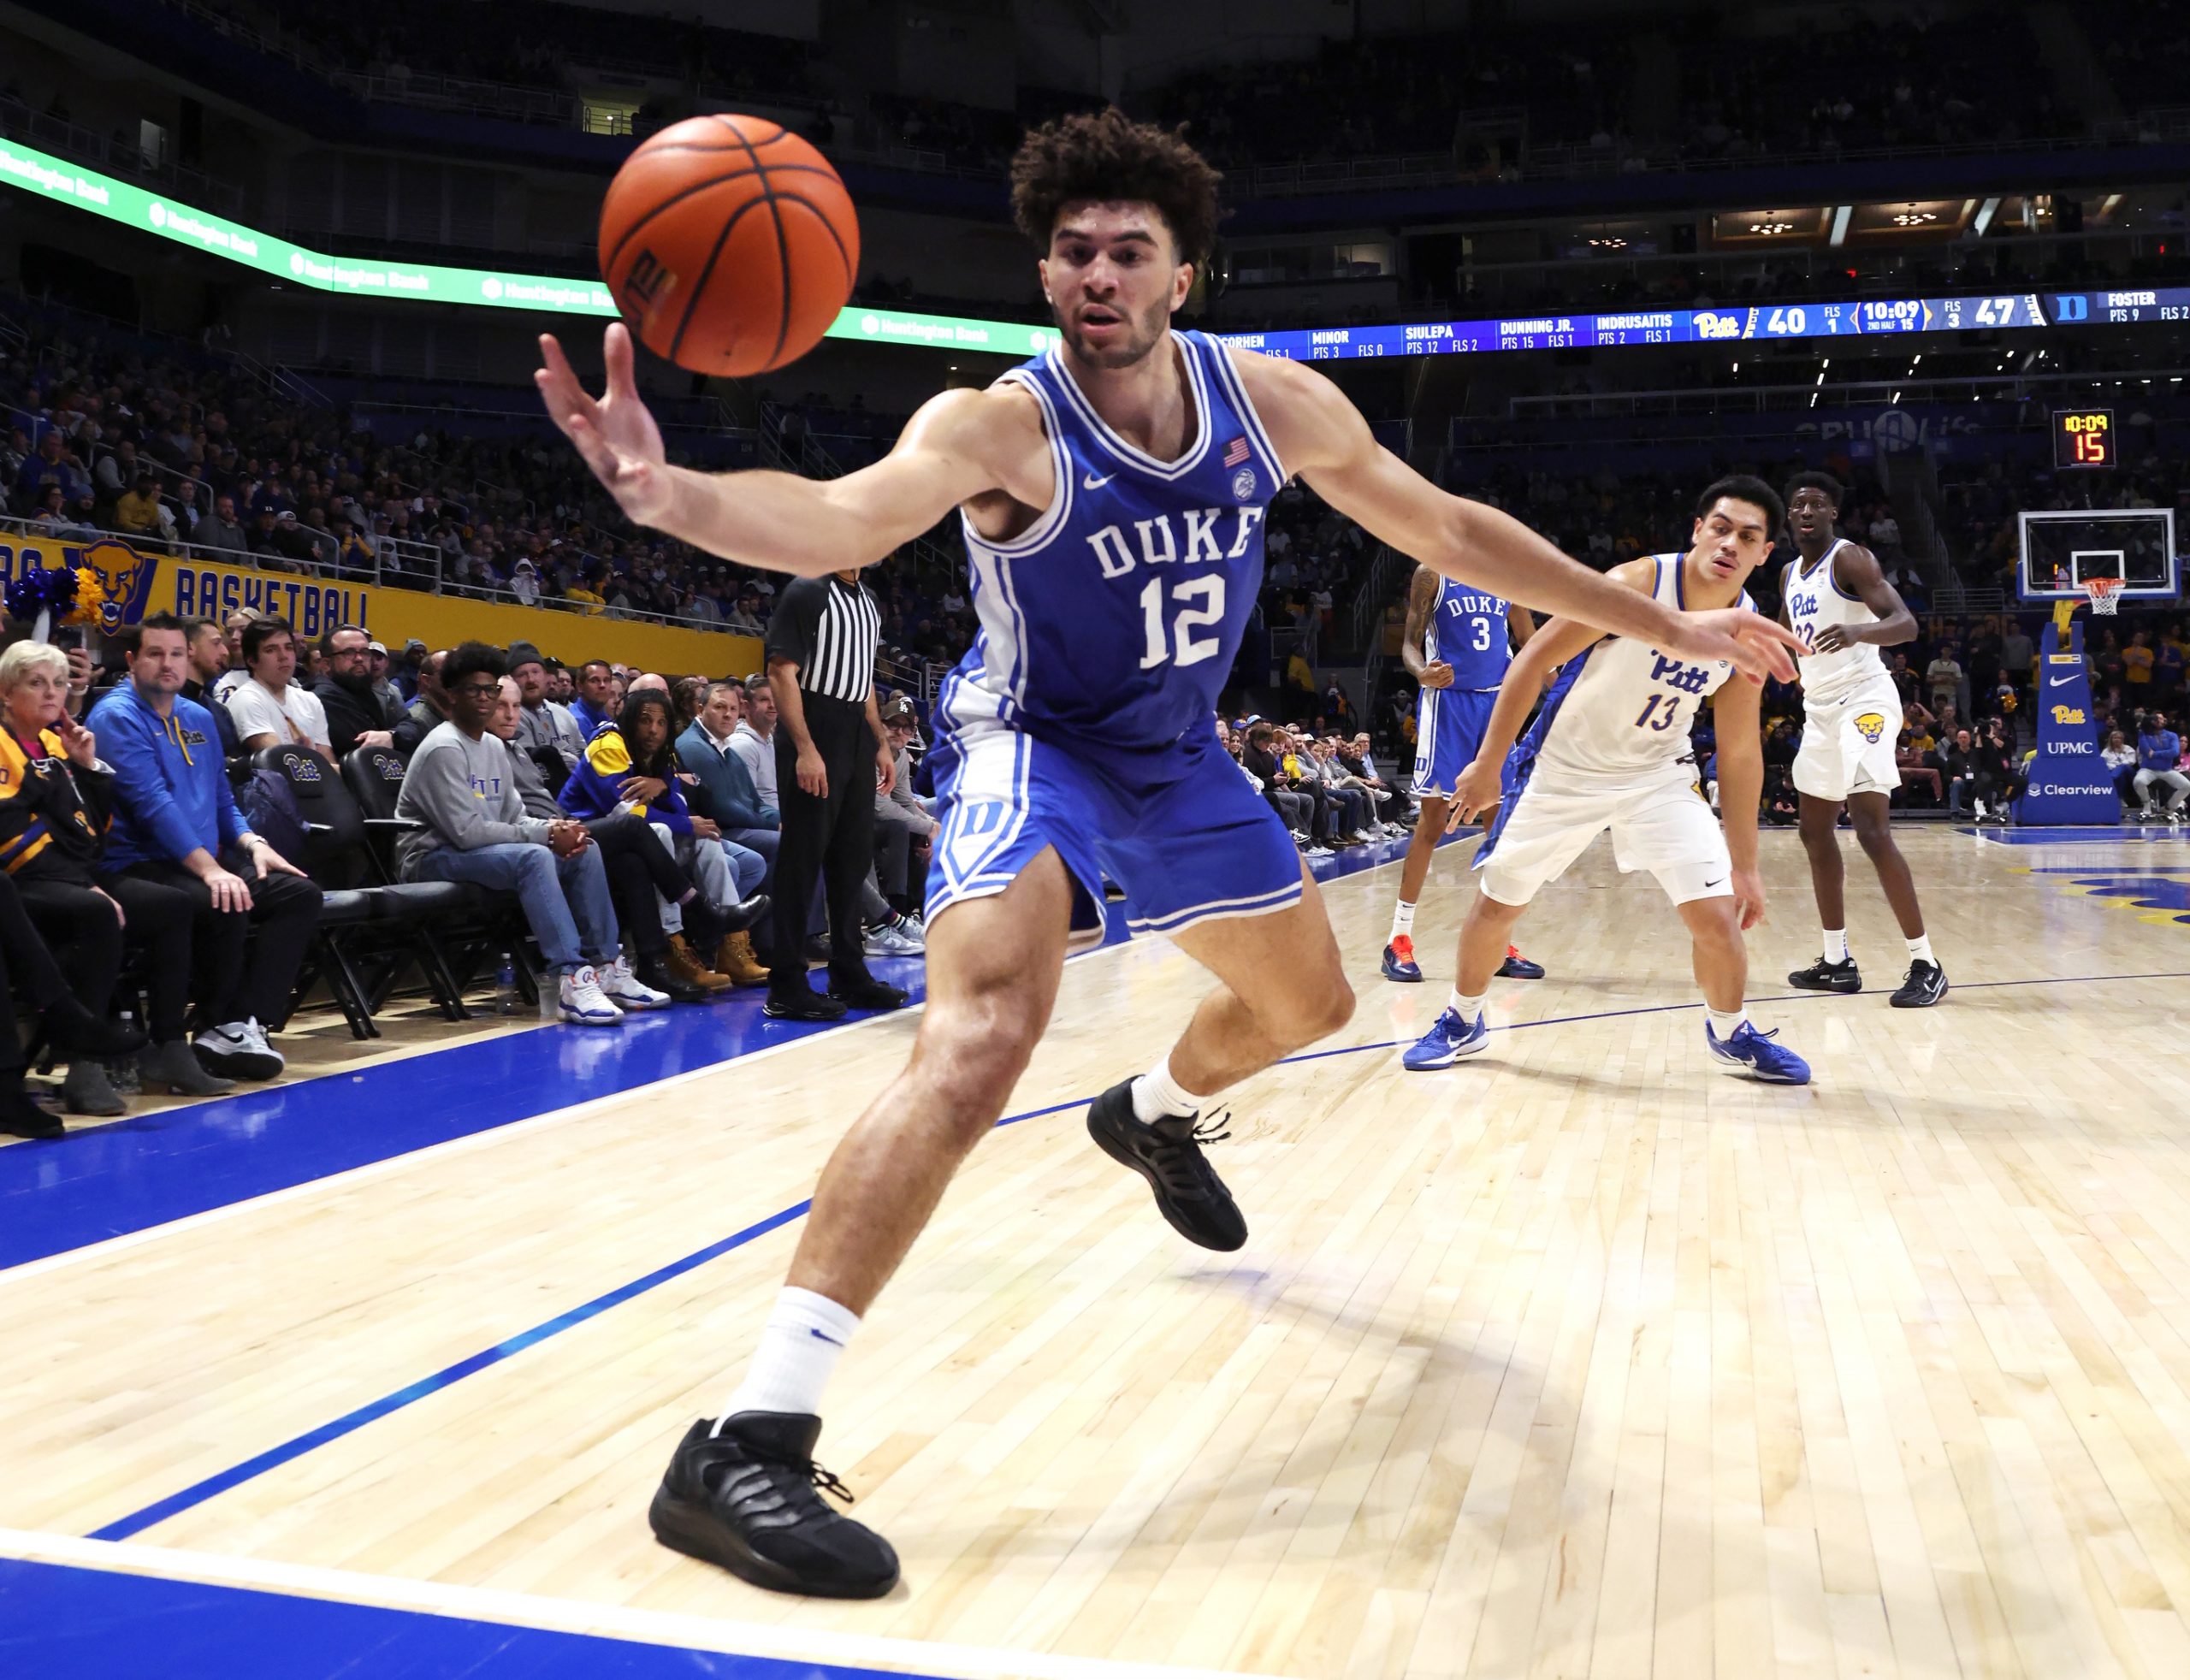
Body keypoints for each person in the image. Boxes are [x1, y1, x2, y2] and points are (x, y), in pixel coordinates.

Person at [537, 108, 1796, 1599]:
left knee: (1310, 1008)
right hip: (1034, 745)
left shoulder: (1268, 402)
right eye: (1073, 251)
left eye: (1129, 251)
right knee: (983, 1030)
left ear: (1183, 277)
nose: (1098, 273)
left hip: (1181, 755)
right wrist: (660, 492)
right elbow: (838, 515)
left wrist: (1669, 622)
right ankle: (748, 1432)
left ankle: (1150, 1111)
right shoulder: (996, 423)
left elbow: (1447, 524)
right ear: (1049, 274)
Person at [1403, 478, 1813, 1090]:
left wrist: (1746, 864)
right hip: (1565, 768)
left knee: (1718, 915)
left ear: (1764, 553)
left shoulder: (1748, 630)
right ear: (1697, 530)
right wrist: (1490, 763)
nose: (1731, 542)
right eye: (1721, 527)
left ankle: (1731, 1032)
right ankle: (1464, 1020)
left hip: (1658, 775)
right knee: (1498, 904)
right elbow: (1532, 659)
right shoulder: (1636, 585)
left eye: (1748, 537)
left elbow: (1739, 749)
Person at [89, 614, 324, 1081]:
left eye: (176, 654)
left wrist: (251, 842)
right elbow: (152, 803)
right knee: (224, 897)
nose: (167, 664)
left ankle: (238, 1023)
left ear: (188, 657)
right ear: (133, 660)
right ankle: (210, 1025)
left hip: (198, 861)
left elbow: (220, 796)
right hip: (138, 863)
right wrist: (210, 868)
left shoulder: (197, 717)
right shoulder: (116, 716)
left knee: (299, 894)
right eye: (155, 654)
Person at [394, 642, 651, 1025]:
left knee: (586, 846)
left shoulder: (495, 747)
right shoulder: (443, 747)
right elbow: (466, 833)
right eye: (472, 690)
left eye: (490, 690)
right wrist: (545, 839)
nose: (484, 698)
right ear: (451, 694)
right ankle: (571, 977)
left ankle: (607, 965)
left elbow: (515, 816)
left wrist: (557, 828)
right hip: (429, 858)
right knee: (534, 857)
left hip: (479, 853)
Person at [1778, 472, 1945, 1008]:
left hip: (1864, 701)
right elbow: (1784, 643)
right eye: (1798, 504)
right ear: (1788, 517)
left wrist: (1856, 632)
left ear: (1833, 515)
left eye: (1818, 504)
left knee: (1871, 829)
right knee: (1813, 830)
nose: (1807, 510)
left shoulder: (1851, 560)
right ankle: (1836, 961)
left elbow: (1905, 624)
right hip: (1820, 707)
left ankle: (1926, 963)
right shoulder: (1787, 574)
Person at [0, 642, 180, 1123]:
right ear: (6, 692)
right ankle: (83, 1051)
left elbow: (91, 831)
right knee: (97, 912)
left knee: (173, 905)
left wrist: (88, 770)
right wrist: (82, 878)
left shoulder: (60, 744)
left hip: (67, 873)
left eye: (58, 683)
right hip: (25, 879)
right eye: (36, 683)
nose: (51, 694)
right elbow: (13, 831)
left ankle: (171, 1043)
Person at [488, 676, 725, 1003]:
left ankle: (649, 964)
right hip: (546, 836)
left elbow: (683, 802)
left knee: (633, 862)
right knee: (636, 827)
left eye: (515, 706)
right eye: (501, 705)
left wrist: (663, 785)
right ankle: (695, 911)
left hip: (558, 828)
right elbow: (623, 808)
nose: (511, 714)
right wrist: (550, 830)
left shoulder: (515, 750)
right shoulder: (482, 750)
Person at [1382, 562, 1542, 985]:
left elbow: (1529, 644)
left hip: (1496, 707)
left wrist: (1552, 683)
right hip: (1448, 706)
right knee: (1432, 824)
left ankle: (1497, 941)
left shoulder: (1507, 575)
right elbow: (1410, 645)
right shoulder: (1432, 574)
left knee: (1498, 828)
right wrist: (1421, 672)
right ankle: (1398, 941)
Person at [759, 567, 908, 1021]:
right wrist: (805, 747)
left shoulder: (867, 600)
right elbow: (781, 672)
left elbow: (862, 681)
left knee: (852, 858)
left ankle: (848, 969)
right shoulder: (807, 591)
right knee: (802, 860)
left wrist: (879, 742)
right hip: (814, 725)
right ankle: (785, 983)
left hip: (855, 733)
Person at [225, 618, 333, 756]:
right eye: (271, 650)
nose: (283, 656)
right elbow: (280, 762)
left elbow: (328, 762)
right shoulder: (246, 699)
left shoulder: (310, 699)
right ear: (252, 660)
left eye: (288, 648)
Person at [312, 624, 397, 759]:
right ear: (326, 664)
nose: (359, 658)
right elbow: (366, 748)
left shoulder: (363, 691)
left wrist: (391, 736)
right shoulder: (323, 698)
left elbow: (414, 726)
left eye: (364, 652)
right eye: (349, 652)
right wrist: (395, 737)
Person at [507, 642, 586, 772]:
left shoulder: (563, 714)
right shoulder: (511, 718)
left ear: (545, 676)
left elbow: (583, 754)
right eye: (522, 674)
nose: (531, 679)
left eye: (535, 672)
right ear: (512, 680)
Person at [391, 648, 451, 758]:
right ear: (427, 680)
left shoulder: (461, 715)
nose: (458, 679)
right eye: (448, 672)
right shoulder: (417, 719)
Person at [2134, 711, 2188, 821]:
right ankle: (2147, 803)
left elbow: (2174, 752)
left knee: (2187, 786)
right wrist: (2162, 754)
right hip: (2148, 769)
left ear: (2165, 721)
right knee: (2138, 781)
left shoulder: (2171, 735)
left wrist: (2155, 754)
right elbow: (2145, 751)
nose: (2159, 721)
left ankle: (2169, 808)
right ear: (2151, 721)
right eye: (2156, 719)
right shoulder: (2144, 734)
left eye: (2161, 718)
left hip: (2167, 770)